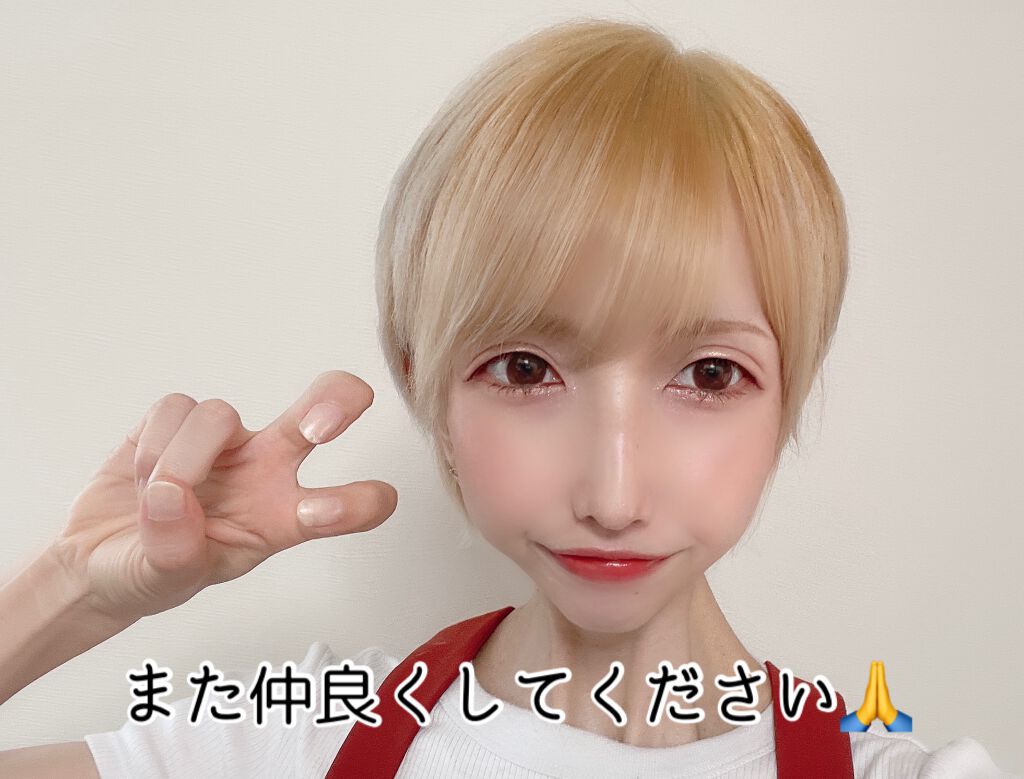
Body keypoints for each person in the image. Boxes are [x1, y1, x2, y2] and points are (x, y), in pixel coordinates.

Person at [0, 17, 1012, 779]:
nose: (613, 496)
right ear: (424, 383)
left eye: (710, 374)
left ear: (787, 392)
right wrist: (72, 590)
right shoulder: (298, 739)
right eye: (526, 369)